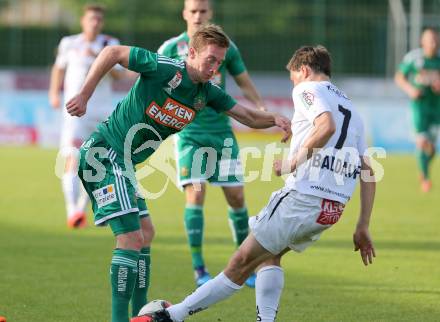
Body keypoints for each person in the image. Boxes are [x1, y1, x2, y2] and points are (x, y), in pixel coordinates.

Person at [66, 24, 291, 322]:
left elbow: (247, 115)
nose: (215, 67)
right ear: (192, 52)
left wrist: (275, 118)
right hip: (103, 155)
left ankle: (139, 315)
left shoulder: (207, 93)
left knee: (146, 234)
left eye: (220, 62)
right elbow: (113, 52)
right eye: (210, 59)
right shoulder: (164, 68)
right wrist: (84, 94)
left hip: (126, 166)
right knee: (131, 238)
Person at [135, 45, 376, 322]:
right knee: (268, 257)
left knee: (239, 264)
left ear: (305, 70)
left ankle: (169, 317)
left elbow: (327, 126)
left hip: (303, 197)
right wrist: (362, 225)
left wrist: (292, 162)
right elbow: (368, 169)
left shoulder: (308, 89)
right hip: (331, 209)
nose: (293, 85)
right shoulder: (352, 108)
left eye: (293, 78)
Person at [157, 0, 265, 288]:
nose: (197, 16)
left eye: (202, 11)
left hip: (222, 133)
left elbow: (242, 80)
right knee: (195, 196)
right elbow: (152, 83)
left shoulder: (225, 46)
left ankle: (245, 268)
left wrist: (260, 107)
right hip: (190, 134)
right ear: (184, 14)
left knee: (237, 198)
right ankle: (199, 269)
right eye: (192, 11)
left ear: (210, 13)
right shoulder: (171, 48)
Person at [49, 4, 125, 228]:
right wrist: (54, 92)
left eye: (99, 20)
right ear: (83, 21)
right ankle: (72, 210)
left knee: (96, 162)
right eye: (91, 19)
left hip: (101, 111)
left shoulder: (109, 44)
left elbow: (120, 76)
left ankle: (82, 209)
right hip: (75, 110)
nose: (95, 23)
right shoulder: (69, 43)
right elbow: (58, 69)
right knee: (72, 157)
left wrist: (99, 58)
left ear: (102, 23)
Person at [395, 27, 440, 193]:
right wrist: (410, 90)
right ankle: (425, 178)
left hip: (436, 109)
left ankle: (424, 169)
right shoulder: (414, 58)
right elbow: (399, 77)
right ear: (423, 41)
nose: (433, 43)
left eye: (435, 39)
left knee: (432, 149)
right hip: (419, 108)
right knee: (422, 142)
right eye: (429, 39)